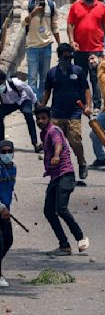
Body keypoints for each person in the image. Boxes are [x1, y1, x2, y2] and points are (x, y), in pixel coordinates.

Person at [34, 106, 90, 256]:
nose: (40, 121)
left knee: (61, 209)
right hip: (55, 177)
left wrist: (57, 155)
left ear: (49, 118)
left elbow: (58, 142)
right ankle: (64, 245)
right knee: (48, 211)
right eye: (38, 119)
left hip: (65, 175)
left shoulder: (54, 131)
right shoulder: (44, 134)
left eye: (43, 118)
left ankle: (80, 237)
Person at [40, 43, 92, 180]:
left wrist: (88, 106)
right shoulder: (52, 73)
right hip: (56, 113)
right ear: (59, 57)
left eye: (70, 57)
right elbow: (47, 92)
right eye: (66, 57)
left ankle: (81, 162)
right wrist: (41, 107)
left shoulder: (78, 71)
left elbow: (86, 89)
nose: (68, 60)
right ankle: (57, 170)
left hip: (74, 113)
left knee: (75, 140)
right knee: (55, 143)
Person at [68, 0, 105, 113]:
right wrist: (72, 41)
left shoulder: (101, 7)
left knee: (96, 78)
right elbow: (70, 25)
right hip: (79, 49)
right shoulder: (75, 7)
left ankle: (97, 105)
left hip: (96, 49)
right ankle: (82, 104)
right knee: (80, 78)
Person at [22, 0, 60, 100]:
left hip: (46, 46)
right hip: (32, 46)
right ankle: (34, 103)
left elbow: (55, 26)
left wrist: (59, 44)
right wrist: (33, 12)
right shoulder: (27, 5)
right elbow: (24, 22)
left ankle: (41, 103)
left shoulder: (51, 5)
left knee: (44, 77)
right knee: (32, 78)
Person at [0, 71, 40, 152]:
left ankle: (35, 143)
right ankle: (1, 142)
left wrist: (35, 102)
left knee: (28, 113)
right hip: (9, 104)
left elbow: (28, 89)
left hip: (23, 100)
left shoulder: (15, 83)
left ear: (3, 81)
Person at [0, 140, 15, 287]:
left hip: (5, 212)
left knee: (8, 240)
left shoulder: (12, 168)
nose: (6, 155)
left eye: (9, 151)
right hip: (1, 210)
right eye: (3, 152)